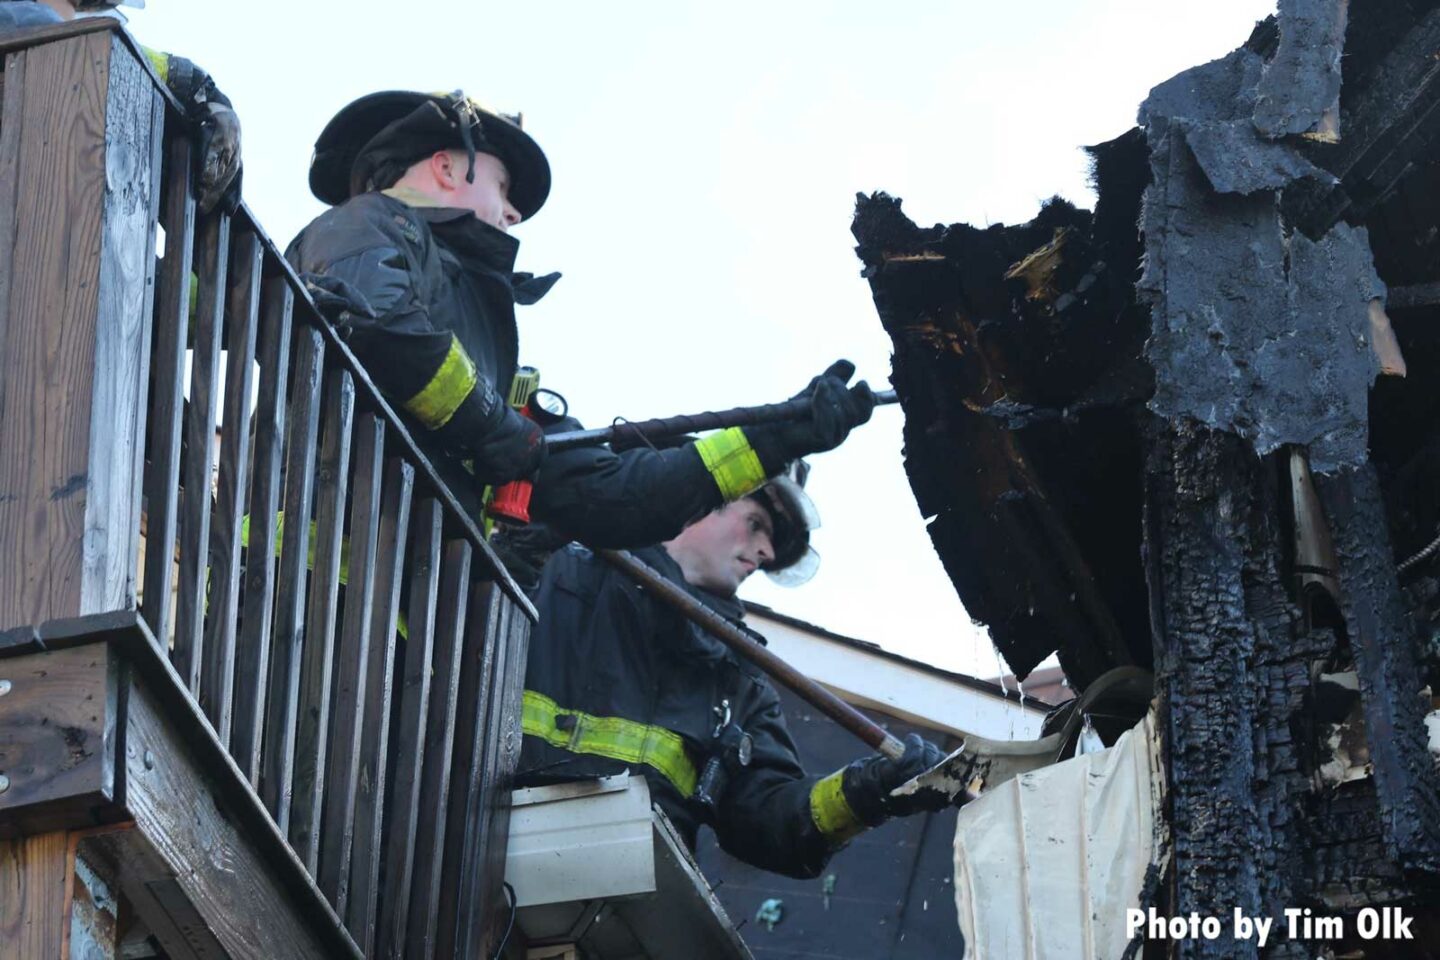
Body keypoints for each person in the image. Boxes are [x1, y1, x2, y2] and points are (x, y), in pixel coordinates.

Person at [287, 90, 875, 551]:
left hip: (400, 649)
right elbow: (377, 323)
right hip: (289, 602)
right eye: (503, 184)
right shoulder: (366, 224)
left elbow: (619, 499)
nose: (514, 211)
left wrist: (781, 438)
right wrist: (497, 430)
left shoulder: (488, 354)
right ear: (445, 167)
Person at [518, 466, 953, 878]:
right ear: (702, 502)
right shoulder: (561, 574)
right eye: (757, 523)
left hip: (625, 911)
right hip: (472, 851)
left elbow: (769, 821)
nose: (766, 552)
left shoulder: (738, 680)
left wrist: (872, 789)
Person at [0, 0, 242, 213]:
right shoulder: (30, 22)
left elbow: (106, 50)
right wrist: (195, 86)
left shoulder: (75, 43)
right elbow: (85, 44)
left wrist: (195, 86)